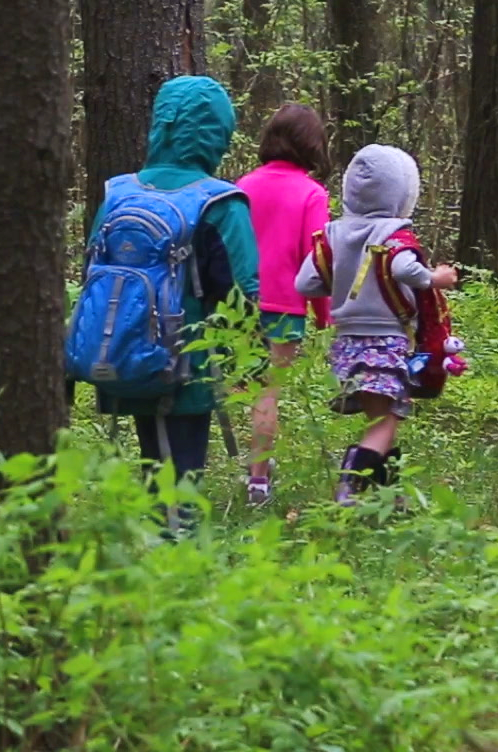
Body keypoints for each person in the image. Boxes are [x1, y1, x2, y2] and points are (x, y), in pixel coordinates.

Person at [78, 76, 259, 529]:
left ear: (161, 124)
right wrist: (252, 364)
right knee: (180, 481)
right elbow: (241, 295)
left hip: (117, 351)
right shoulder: (221, 202)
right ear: (218, 132)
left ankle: (152, 554)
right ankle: (172, 568)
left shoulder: (117, 193)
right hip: (186, 369)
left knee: (154, 463)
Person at [296, 144, 457, 505]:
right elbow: (402, 269)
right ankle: (351, 478)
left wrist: (339, 285)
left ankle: (391, 501)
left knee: (378, 418)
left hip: (348, 344)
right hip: (386, 342)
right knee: (387, 421)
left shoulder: (333, 234)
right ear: (403, 192)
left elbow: (305, 283)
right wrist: (435, 278)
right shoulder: (395, 235)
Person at [234, 104, 334, 506]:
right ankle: (259, 479)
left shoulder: (243, 185)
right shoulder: (312, 193)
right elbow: (318, 259)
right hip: (285, 304)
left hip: (240, 304)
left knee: (245, 386)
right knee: (268, 392)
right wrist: (324, 313)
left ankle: (250, 466)